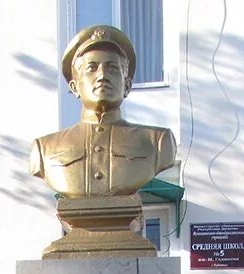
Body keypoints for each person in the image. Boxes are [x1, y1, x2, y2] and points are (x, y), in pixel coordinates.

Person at [29, 25, 176, 199]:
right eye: (91, 68)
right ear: (74, 87)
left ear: (127, 86)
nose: (102, 76)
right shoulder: (45, 149)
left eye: (112, 68)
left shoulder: (157, 142)